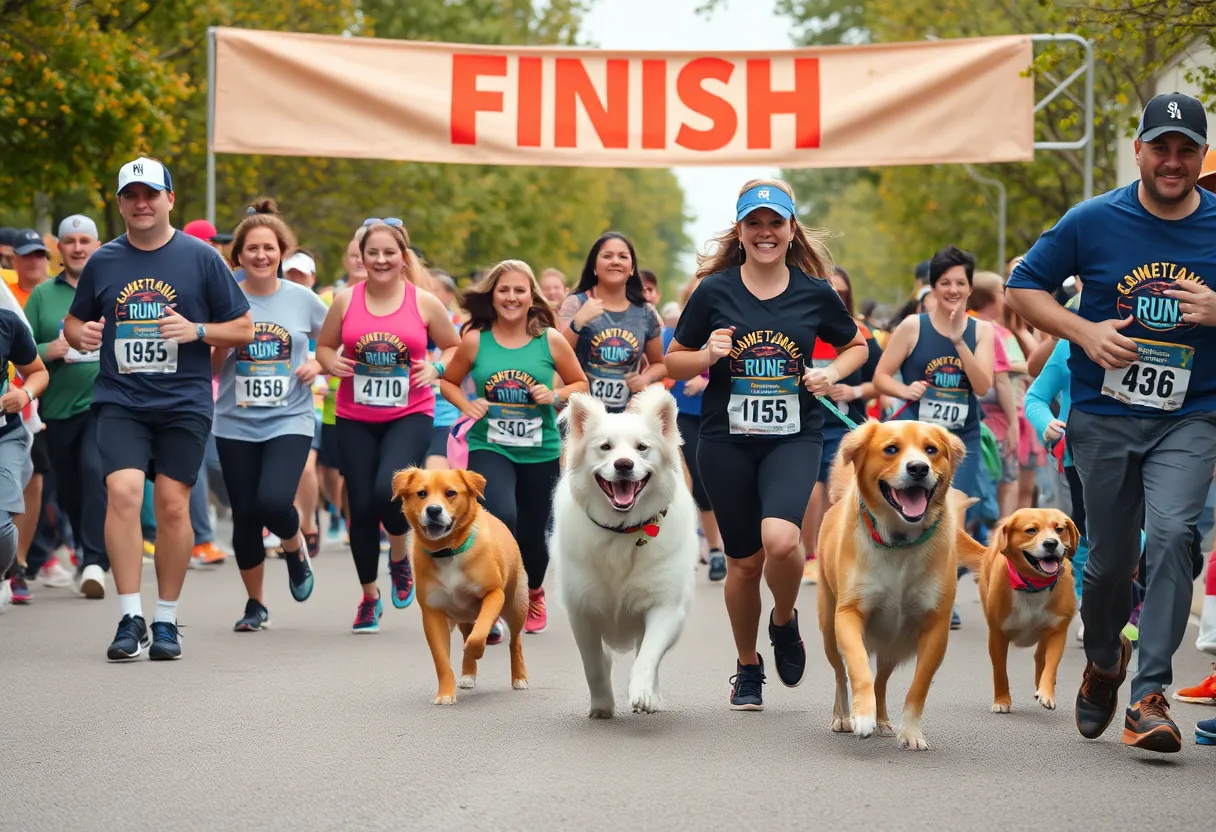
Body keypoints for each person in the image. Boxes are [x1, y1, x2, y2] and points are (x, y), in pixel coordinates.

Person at [1006, 92, 1216, 753]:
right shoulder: (1093, 219)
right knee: (1107, 566)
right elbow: (1023, 286)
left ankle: (1149, 694)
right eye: (1162, 148)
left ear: (1203, 155)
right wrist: (1082, 333)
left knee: (1178, 535)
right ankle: (1103, 662)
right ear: (1140, 151)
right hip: (1103, 414)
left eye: (1187, 150)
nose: (1173, 161)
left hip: (1193, 413)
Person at [666, 178, 867, 710]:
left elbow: (857, 345)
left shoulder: (813, 291)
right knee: (744, 563)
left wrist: (831, 372)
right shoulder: (714, 291)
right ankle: (747, 666)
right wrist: (706, 355)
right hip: (724, 439)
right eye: (754, 224)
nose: (765, 233)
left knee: (781, 541)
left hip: (793, 435)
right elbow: (674, 361)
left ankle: (783, 621)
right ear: (741, 231)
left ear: (790, 228)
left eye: (775, 223)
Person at [64, 156, 253, 661]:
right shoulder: (104, 260)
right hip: (121, 398)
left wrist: (195, 330)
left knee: (172, 505)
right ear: (121, 204)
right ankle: (130, 616)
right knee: (123, 492)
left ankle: (166, 619)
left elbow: (244, 329)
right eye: (131, 196)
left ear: (170, 199)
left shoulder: (201, 258)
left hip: (183, 402)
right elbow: (73, 322)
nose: (141, 204)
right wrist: (78, 334)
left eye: (151, 194)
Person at [315, 221, 459, 633]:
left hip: (409, 413)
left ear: (403, 257)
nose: (379, 260)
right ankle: (369, 597)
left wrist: (436, 367)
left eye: (388, 253)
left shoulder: (424, 302)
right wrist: (330, 362)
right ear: (361, 257)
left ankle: (399, 557)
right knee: (359, 506)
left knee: (387, 490)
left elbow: (453, 346)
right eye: (372, 253)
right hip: (354, 415)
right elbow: (324, 346)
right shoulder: (345, 300)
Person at [440, 260, 587, 634]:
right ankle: (491, 600)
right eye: (504, 289)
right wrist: (466, 405)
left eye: (519, 290)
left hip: (540, 450)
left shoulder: (549, 340)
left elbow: (580, 385)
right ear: (493, 295)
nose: (511, 297)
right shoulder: (476, 339)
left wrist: (553, 394)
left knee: (532, 534)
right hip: (490, 445)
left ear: (531, 296)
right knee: (499, 515)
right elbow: (450, 382)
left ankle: (533, 591)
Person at [212, 200, 324, 630]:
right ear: (238, 255)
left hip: (288, 418)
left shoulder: (303, 300)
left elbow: (336, 344)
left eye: (269, 248)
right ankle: (255, 604)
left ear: (282, 253)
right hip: (234, 421)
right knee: (245, 517)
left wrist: (318, 363)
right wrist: (219, 343)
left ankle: (294, 546)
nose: (261, 256)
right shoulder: (224, 299)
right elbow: (208, 369)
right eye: (252, 249)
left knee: (273, 502)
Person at [24, 215, 108, 598]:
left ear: (97, 245)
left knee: (94, 471)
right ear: (60, 248)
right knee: (70, 489)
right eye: (70, 240)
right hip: (57, 410)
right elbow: (17, 351)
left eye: (84, 240)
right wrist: (49, 350)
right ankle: (82, 549)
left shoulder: (112, 286)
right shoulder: (43, 295)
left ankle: (94, 559)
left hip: (104, 404)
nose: (77, 247)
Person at [802, 265, 882, 585]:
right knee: (810, 495)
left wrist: (855, 390)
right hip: (806, 426)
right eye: (828, 289)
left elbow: (883, 380)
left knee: (840, 494)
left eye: (841, 291)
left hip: (846, 426)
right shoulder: (802, 328)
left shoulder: (861, 333)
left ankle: (838, 553)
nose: (834, 295)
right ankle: (811, 555)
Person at [558, 233, 666, 412]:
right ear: (594, 265)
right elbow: (556, 355)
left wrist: (645, 379)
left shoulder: (645, 312)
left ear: (632, 268)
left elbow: (660, 364)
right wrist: (577, 323)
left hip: (625, 417)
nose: (615, 261)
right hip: (580, 414)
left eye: (623, 257)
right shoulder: (576, 303)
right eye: (607, 256)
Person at [0, 308, 49, 609]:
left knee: (1, 524)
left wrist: (25, 394)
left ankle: (4, 574)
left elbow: (38, 371)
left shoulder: (6, 322)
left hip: (4, 436)